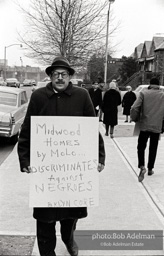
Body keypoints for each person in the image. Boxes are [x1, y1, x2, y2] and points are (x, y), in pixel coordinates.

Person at [17, 56, 105, 256]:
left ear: (69, 77)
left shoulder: (82, 96)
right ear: (50, 76)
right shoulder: (39, 96)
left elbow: (92, 129)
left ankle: (68, 238)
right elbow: (27, 129)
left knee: (69, 215)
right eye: (55, 74)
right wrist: (24, 159)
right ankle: (48, 253)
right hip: (46, 172)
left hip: (72, 172)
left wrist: (99, 157)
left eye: (63, 74)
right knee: (45, 219)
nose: (59, 78)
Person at [130, 77, 164, 182]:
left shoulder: (143, 93)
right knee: (153, 148)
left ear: (150, 84)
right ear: (159, 85)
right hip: (157, 126)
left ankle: (142, 166)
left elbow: (134, 107)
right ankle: (151, 168)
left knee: (141, 147)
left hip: (144, 125)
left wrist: (134, 118)